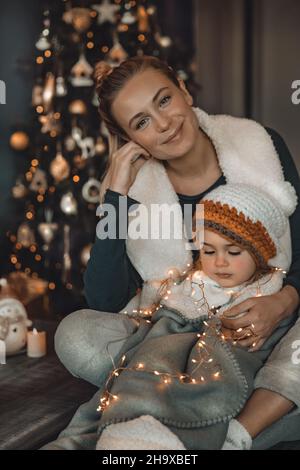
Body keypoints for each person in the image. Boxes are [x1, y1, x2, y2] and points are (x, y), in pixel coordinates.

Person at [49, 55, 300, 450]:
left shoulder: (260, 146)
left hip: (262, 329)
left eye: (163, 100)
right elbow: (105, 300)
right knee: (75, 334)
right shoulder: (133, 191)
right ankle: (237, 412)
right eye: (142, 122)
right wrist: (114, 195)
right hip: (173, 335)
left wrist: (283, 302)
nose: (163, 123)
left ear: (183, 91)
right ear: (132, 139)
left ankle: (216, 425)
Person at [96, 182, 297, 450]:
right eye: (209, 251)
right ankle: (136, 422)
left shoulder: (268, 295)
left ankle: (179, 430)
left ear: (259, 253)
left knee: (204, 369)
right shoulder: (190, 286)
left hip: (229, 380)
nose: (220, 262)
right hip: (168, 370)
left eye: (234, 251)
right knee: (149, 355)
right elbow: (156, 317)